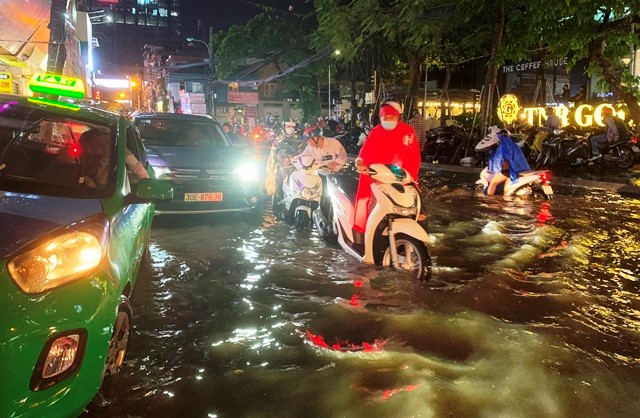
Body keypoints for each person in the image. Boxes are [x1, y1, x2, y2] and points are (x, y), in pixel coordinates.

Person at [353, 101, 421, 234]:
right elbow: (366, 150)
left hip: (400, 177)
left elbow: (414, 157)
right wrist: (361, 162)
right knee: (371, 206)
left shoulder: (407, 132)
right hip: (377, 177)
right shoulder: (376, 132)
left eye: (392, 118)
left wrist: (409, 175)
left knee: (413, 206)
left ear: (398, 117)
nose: (388, 121)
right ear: (380, 117)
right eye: (385, 118)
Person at [79, 128, 148, 188]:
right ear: (89, 148)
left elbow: (144, 180)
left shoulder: (117, 171)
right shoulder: (78, 164)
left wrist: (126, 154)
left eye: (109, 144)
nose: (106, 149)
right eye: (100, 145)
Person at [477, 127, 531, 195]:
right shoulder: (513, 145)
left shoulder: (503, 145)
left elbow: (506, 159)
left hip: (510, 170)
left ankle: (489, 200)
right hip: (522, 169)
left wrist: (503, 170)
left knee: (493, 183)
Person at [265, 119, 303, 200]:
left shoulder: (299, 138)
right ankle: (280, 201)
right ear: (284, 127)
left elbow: (302, 151)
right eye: (288, 126)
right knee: (280, 186)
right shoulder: (278, 139)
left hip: (296, 167)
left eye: (292, 126)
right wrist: (283, 160)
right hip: (282, 167)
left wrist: (293, 158)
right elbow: (274, 153)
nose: (290, 128)